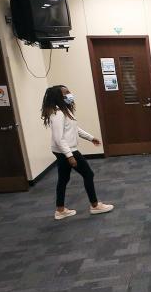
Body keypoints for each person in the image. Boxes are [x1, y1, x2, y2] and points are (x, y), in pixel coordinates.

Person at [41, 85, 113, 220]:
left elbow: (74, 129)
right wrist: (69, 156)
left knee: (63, 179)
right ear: (58, 96)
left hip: (64, 150)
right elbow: (58, 138)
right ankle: (95, 205)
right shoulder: (58, 114)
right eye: (66, 92)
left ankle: (60, 210)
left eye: (69, 91)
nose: (70, 94)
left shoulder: (64, 111)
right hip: (67, 151)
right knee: (88, 174)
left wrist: (90, 138)